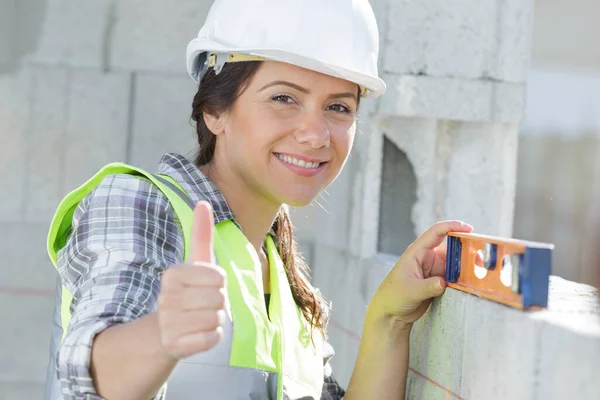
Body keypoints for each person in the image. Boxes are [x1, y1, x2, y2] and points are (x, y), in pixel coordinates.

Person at [44, 0, 473, 399]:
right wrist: (163, 335)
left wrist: (389, 319)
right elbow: (89, 371)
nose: (317, 134)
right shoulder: (137, 203)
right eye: (284, 98)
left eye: (339, 107)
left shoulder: (288, 288)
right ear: (215, 111)